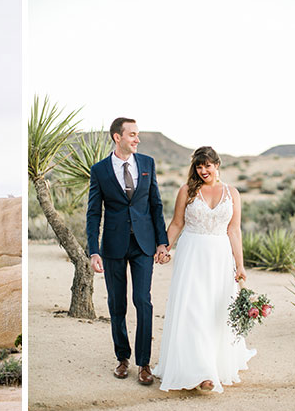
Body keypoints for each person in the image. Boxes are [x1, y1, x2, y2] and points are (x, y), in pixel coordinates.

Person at [152, 146, 256, 393]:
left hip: (220, 257)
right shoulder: (186, 191)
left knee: (216, 310)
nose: (203, 170)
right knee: (193, 309)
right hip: (192, 255)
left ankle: (214, 364)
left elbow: (234, 230)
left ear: (217, 165)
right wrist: (165, 248)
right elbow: (177, 223)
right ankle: (202, 372)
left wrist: (240, 265)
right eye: (199, 166)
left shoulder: (232, 193)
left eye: (207, 165)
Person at [86, 117, 170, 385]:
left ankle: (144, 363)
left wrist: (162, 242)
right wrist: (93, 250)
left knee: (143, 301)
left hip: (144, 244)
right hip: (113, 246)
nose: (137, 139)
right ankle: (122, 358)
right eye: (132, 134)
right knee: (117, 303)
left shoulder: (147, 163)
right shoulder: (99, 170)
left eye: (138, 134)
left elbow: (155, 204)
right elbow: (92, 213)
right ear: (117, 137)